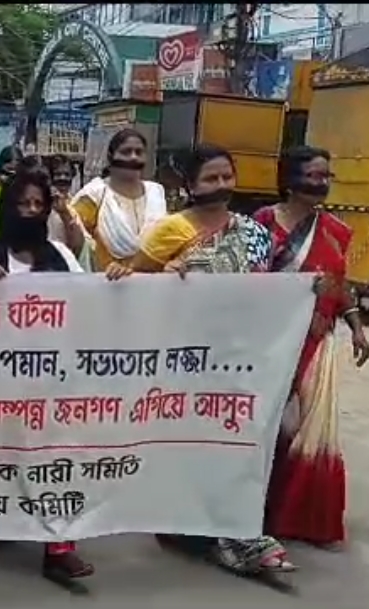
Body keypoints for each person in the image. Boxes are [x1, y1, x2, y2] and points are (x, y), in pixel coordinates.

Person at [105, 144, 294, 576]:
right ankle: (202, 531)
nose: (222, 184)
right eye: (211, 178)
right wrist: (158, 277)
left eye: (227, 176)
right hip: (189, 359)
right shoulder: (171, 230)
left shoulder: (253, 232)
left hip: (243, 356)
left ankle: (240, 530)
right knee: (199, 447)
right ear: (190, 185)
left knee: (246, 443)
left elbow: (272, 288)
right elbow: (137, 286)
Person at [0, 164, 91, 585]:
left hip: (53, 380)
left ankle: (59, 548)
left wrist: (118, 281)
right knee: (2, 458)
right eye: (23, 203)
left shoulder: (61, 256)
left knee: (56, 461)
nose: (31, 211)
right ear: (8, 208)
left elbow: (90, 302)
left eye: (38, 204)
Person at [257, 146, 369, 549]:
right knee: (266, 426)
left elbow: (340, 284)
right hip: (267, 340)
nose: (322, 183)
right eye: (313, 176)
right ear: (290, 180)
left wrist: (356, 326)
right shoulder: (262, 224)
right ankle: (254, 510)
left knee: (304, 429)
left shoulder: (335, 230)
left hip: (315, 343)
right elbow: (249, 281)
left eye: (326, 176)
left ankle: (296, 516)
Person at [72, 129, 167, 271]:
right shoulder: (94, 195)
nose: (133, 157)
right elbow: (74, 242)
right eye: (126, 152)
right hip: (108, 280)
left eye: (139, 152)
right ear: (111, 156)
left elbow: (168, 240)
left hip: (153, 280)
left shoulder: (156, 192)